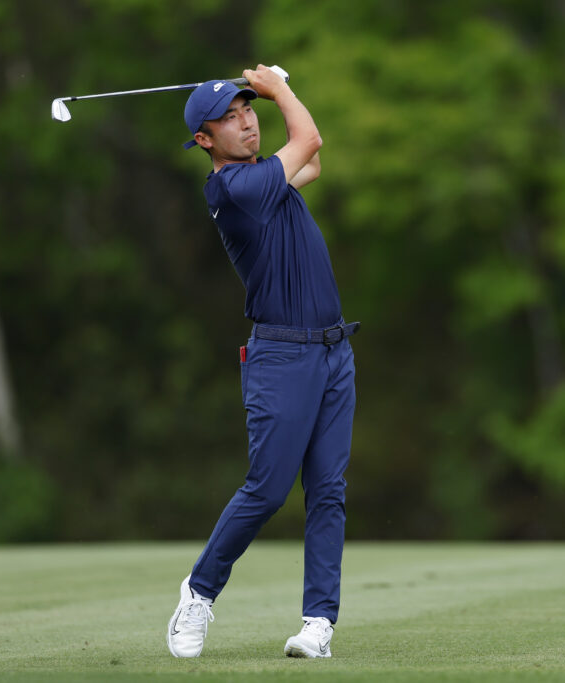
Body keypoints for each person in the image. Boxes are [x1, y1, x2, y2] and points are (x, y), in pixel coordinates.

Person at [166, 64, 358, 659]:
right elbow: (310, 143)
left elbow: (310, 163)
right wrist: (280, 89)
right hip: (281, 356)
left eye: (249, 108)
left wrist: (276, 100)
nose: (246, 119)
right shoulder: (234, 189)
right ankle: (198, 592)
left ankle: (317, 624)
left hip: (334, 351)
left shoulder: (263, 178)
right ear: (204, 140)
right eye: (229, 116)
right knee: (269, 489)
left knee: (327, 491)